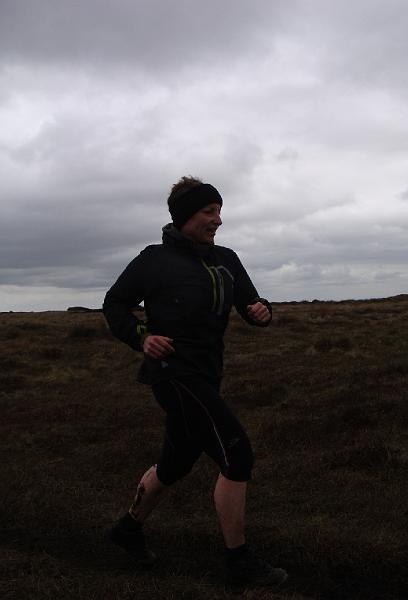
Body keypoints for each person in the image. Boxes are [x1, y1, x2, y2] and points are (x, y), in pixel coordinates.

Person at [103, 176, 287, 587]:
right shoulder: (153, 260)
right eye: (209, 211)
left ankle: (128, 529)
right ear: (185, 215)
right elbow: (114, 303)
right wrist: (141, 337)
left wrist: (262, 312)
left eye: (219, 211)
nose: (217, 220)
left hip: (208, 373)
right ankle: (239, 561)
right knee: (237, 455)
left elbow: (251, 303)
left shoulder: (227, 258)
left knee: (177, 461)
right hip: (173, 372)